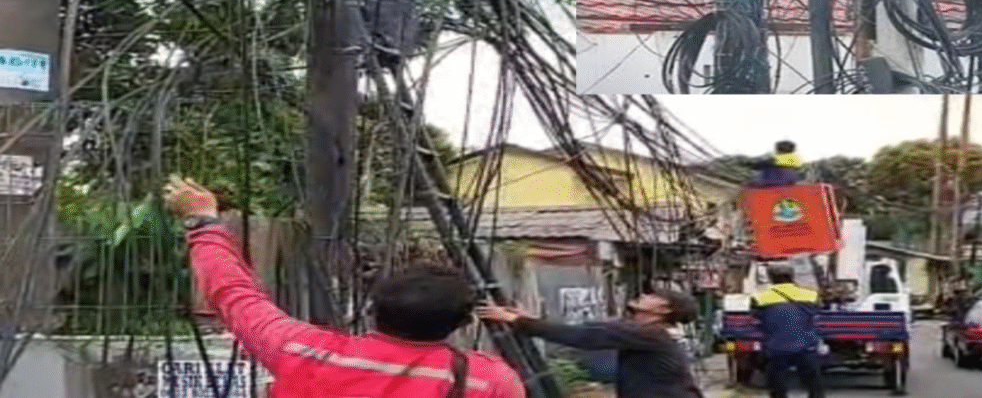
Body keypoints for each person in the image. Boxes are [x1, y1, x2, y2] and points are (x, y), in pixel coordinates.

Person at [163, 176, 524, 398]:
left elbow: (234, 293)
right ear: (462, 323)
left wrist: (203, 221)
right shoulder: (489, 380)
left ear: (373, 308)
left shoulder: (303, 351)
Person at [475, 291, 704, 398]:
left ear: (664, 309)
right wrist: (529, 320)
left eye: (653, 295)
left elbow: (583, 336)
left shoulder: (650, 334)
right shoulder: (645, 332)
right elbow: (591, 329)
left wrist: (518, 321)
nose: (644, 295)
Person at [750, 264, 826, 398]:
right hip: (805, 346)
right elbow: (817, 312)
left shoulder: (759, 298)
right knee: (815, 386)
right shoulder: (811, 295)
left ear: (771, 278)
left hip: (776, 347)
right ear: (792, 277)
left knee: (777, 385)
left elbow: (757, 317)